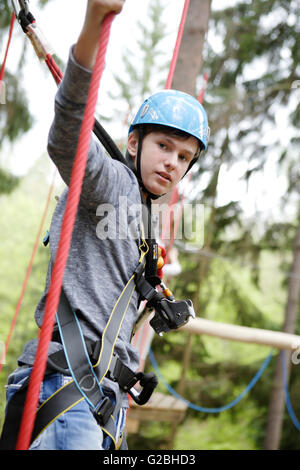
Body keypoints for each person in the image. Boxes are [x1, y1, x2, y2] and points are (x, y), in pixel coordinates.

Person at [0, 0, 209, 451]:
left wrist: (156, 295)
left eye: (184, 157)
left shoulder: (145, 225)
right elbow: (69, 134)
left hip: (103, 403)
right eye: (164, 146)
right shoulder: (110, 181)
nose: (172, 163)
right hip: (65, 387)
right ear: (133, 143)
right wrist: (94, 24)